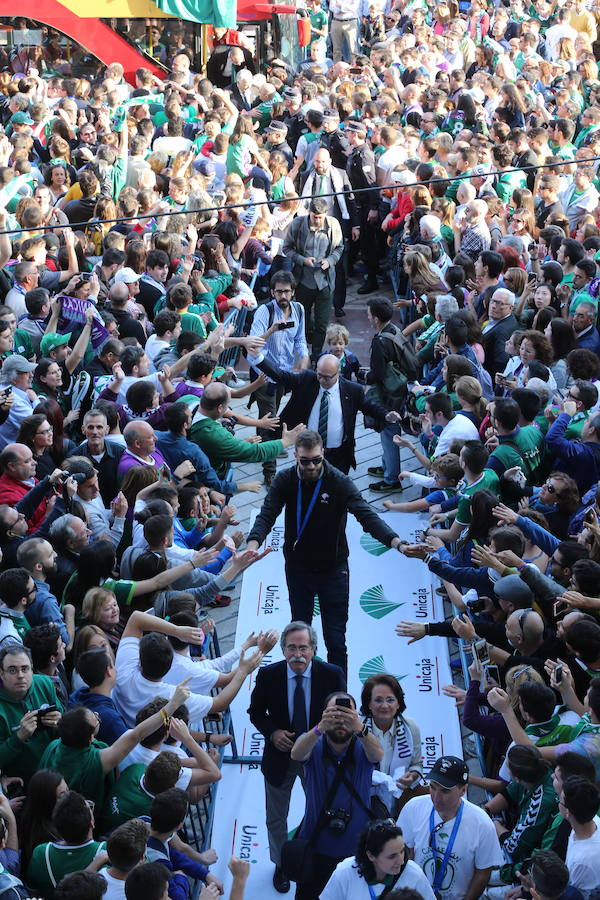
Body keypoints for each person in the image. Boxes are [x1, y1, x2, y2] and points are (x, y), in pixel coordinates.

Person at [247, 430, 404, 674]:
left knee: (336, 640)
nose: (311, 466)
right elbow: (267, 513)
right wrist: (253, 543)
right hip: (299, 568)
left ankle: (338, 696)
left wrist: (397, 543)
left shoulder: (338, 481)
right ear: (295, 457)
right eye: (305, 461)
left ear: (324, 454)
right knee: (300, 636)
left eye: (316, 460)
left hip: (334, 568)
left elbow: (367, 516)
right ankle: (301, 685)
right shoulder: (286, 479)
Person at [248, 621, 346, 893]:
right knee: (276, 817)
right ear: (282, 650)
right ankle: (282, 864)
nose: (297, 654)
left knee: (321, 810)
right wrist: (273, 732)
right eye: (291, 648)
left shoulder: (332, 674)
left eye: (303, 648)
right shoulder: (268, 675)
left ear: (313, 649)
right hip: (280, 757)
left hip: (317, 757)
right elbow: (255, 712)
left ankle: (316, 856)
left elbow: (342, 716)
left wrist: (320, 740)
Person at [289, 690, 384, 900]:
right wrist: (321, 727)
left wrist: (359, 728)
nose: (341, 719)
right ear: (324, 714)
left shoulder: (363, 744)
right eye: (334, 712)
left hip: (357, 849)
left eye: (346, 712)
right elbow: (296, 753)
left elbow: (378, 754)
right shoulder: (315, 744)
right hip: (315, 844)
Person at [247, 350, 400, 474]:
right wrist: (258, 357)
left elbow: (368, 406)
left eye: (327, 377)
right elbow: (280, 375)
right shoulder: (308, 379)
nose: (321, 380)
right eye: (319, 375)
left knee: (336, 495)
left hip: (338, 454)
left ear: (338, 373)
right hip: (308, 452)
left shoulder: (352, 390)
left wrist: (385, 415)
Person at [397, 755, 503, 900]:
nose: (436, 797)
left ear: (463, 790)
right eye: (432, 787)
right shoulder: (413, 808)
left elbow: (483, 872)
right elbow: (406, 853)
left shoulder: (482, 823)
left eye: (445, 791)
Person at [248, 270, 310, 487]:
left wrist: (303, 357)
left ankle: (260, 448)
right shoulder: (264, 312)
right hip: (265, 375)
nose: (283, 296)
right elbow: (252, 346)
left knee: (268, 415)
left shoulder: (299, 310)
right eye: (279, 292)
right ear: (272, 292)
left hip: (286, 375)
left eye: (286, 292)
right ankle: (269, 471)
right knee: (270, 420)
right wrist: (272, 330)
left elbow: (300, 339)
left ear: (293, 292)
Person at [282, 199, 343, 360]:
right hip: (303, 281)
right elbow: (286, 248)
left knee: (322, 323)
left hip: (325, 282)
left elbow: (339, 248)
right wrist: (303, 260)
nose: (317, 220)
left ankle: (316, 355)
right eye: (314, 217)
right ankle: (304, 352)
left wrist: (329, 261)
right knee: (304, 321)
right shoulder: (297, 224)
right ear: (309, 213)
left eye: (320, 217)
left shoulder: (333, 225)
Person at [320, 820, 436, 900]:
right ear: (371, 856)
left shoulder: (414, 873)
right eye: (392, 856)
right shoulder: (344, 872)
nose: (401, 861)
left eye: (402, 851)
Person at [360, 674, 422, 814]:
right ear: (368, 703)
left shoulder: (411, 728)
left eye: (390, 700)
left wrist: (411, 776)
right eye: (378, 700)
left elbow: (417, 764)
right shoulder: (357, 728)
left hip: (396, 801)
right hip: (359, 798)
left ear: (398, 703)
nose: (384, 705)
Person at [0, 643, 63, 782]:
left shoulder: (44, 684)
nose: (20, 675)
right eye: (12, 670)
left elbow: (65, 722)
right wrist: (19, 737)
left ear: (32, 668)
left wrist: (61, 722)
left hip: (56, 772)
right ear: (1, 673)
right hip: (23, 783)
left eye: (25, 669)